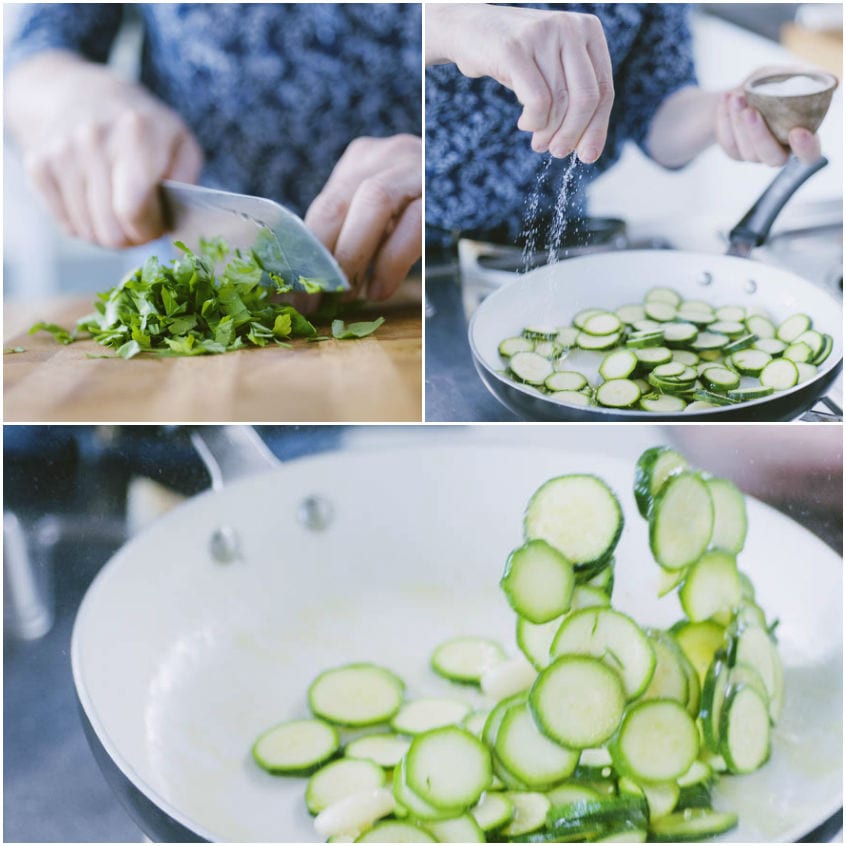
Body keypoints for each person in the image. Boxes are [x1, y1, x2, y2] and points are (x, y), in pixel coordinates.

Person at [5, 4, 422, 303]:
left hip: (436, 276)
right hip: (200, 274)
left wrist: (452, 172)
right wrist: (68, 95)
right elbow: (37, 44)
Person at [425, 4, 824, 244]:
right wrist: (444, 20)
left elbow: (655, 99)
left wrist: (732, 111)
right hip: (392, 238)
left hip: (552, 237)